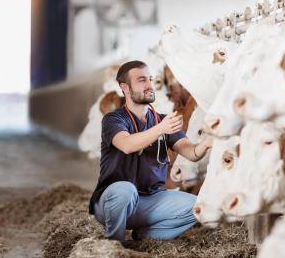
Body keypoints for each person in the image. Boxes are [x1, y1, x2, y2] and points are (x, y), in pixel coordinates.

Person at [88, 60, 213, 243]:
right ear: (125, 88)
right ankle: (113, 244)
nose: (149, 85)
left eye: (150, 79)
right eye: (141, 80)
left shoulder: (161, 120)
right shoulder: (114, 119)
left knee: (196, 206)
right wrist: (161, 129)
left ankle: (144, 239)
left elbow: (192, 153)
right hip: (113, 200)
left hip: (149, 200)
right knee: (125, 190)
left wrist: (208, 141)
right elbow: (127, 144)